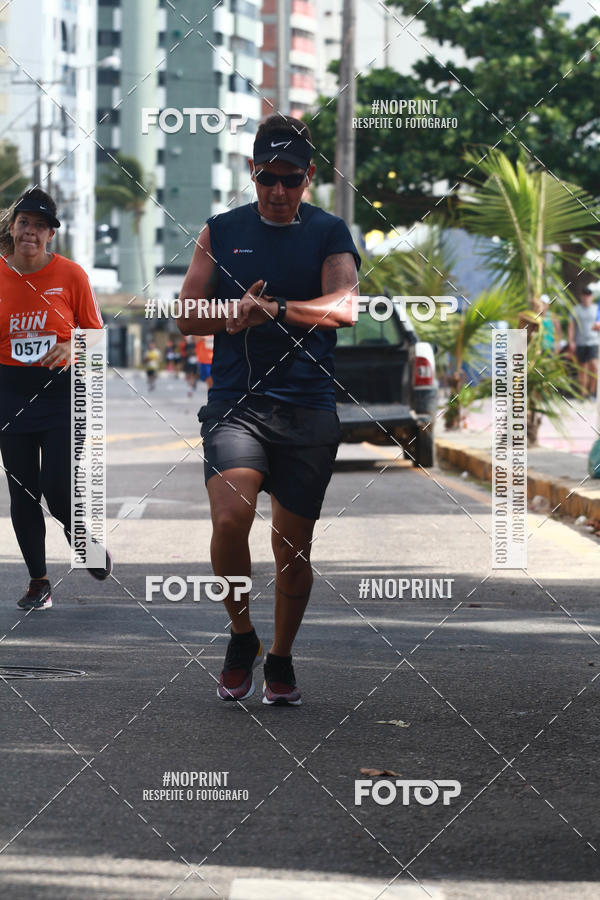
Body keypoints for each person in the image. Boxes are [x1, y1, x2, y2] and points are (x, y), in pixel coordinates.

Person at [177, 115, 359, 706]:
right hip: (237, 405)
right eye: (266, 178)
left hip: (307, 407)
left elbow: (344, 308)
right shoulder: (220, 230)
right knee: (229, 520)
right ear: (250, 174)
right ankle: (241, 636)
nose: (277, 191)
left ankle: (280, 656)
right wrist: (229, 314)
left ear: (309, 178)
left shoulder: (330, 232)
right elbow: (185, 313)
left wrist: (277, 310)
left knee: (291, 545)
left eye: (290, 179)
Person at [0, 188, 112, 611]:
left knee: (57, 484)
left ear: (51, 235)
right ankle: (38, 582)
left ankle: (82, 539)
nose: (31, 231)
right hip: (9, 391)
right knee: (23, 489)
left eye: (41, 225)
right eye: (25, 222)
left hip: (62, 392)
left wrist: (73, 349)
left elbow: (98, 340)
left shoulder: (71, 276)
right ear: (13, 227)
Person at [568, 287, 599, 398]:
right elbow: (571, 326)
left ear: (592, 297)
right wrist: (571, 341)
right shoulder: (575, 309)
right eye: (585, 295)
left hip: (594, 342)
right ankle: (583, 394)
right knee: (583, 369)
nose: (586, 297)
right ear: (581, 297)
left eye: (589, 295)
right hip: (580, 342)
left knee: (594, 366)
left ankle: (592, 392)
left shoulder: (597, 309)